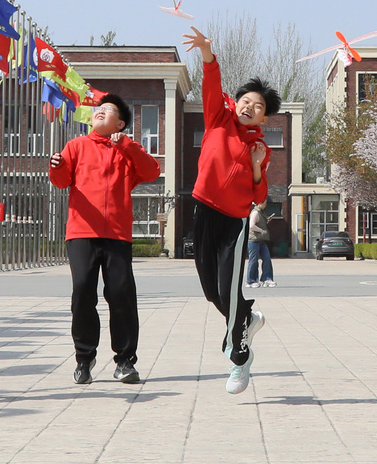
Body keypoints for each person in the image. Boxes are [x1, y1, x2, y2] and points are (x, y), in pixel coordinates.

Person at [181, 28, 274, 395]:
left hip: (233, 224)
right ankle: (248, 319)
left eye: (258, 106)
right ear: (236, 103)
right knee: (212, 292)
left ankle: (239, 357)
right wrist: (207, 52)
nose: (249, 106)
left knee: (228, 291)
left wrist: (256, 166)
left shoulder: (260, 150)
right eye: (245, 100)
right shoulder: (217, 119)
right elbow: (211, 82)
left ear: (264, 119)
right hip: (203, 213)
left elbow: (260, 196)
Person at [49, 91, 161, 385]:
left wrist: (127, 146)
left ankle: (125, 360)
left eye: (108, 109)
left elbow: (152, 171)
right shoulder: (76, 146)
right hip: (81, 232)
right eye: (99, 108)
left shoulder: (127, 150)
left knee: (121, 294)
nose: (100, 110)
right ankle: (84, 358)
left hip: (117, 234)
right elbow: (61, 181)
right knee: (82, 291)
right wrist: (56, 165)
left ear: (120, 124)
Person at [245, 202, 275, 288]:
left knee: (267, 258)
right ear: (259, 204)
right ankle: (250, 281)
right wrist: (261, 231)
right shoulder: (255, 212)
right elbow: (251, 225)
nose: (265, 205)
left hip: (261, 240)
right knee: (253, 260)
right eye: (264, 203)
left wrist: (267, 221)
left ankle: (267, 279)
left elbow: (259, 223)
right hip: (253, 240)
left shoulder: (261, 212)